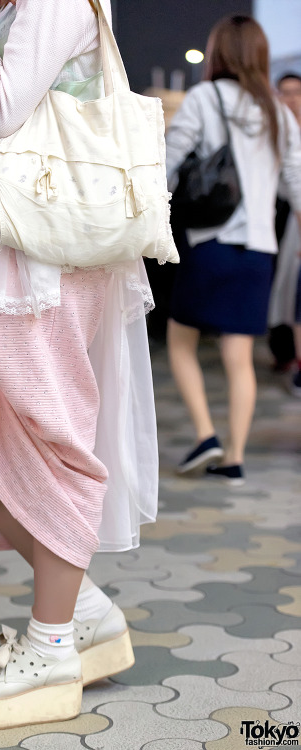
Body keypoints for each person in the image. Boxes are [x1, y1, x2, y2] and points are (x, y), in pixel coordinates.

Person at [0, 0, 160, 730]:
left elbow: (5, 112)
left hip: (40, 260)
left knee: (46, 442)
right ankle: (82, 614)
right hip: (9, 254)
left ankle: (51, 650)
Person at [165, 15, 301, 485]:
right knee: (239, 357)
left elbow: (171, 156)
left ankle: (206, 434)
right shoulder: (278, 110)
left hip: (210, 243)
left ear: (219, 51)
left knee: (181, 339)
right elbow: (297, 183)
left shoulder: (205, 97)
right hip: (259, 251)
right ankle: (235, 458)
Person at [269, 73, 301, 394]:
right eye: (285, 93)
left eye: (297, 93)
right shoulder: (273, 131)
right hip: (278, 214)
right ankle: (283, 350)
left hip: (297, 216)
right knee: (281, 284)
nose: (291, 99)